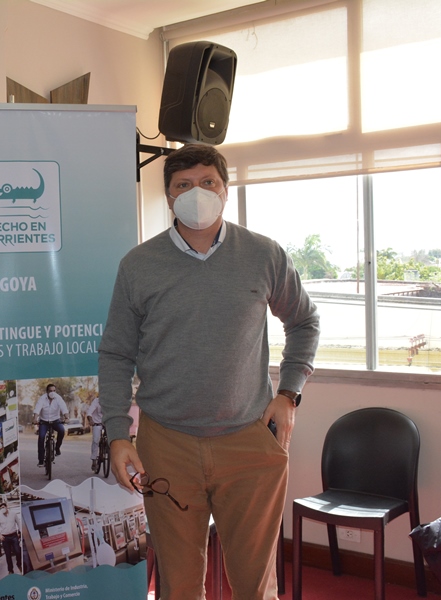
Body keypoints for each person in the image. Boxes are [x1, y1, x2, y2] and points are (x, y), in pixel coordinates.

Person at [98, 144, 320, 600]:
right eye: (183, 185)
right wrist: (118, 434)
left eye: (207, 182)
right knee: (179, 586)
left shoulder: (263, 254)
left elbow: (304, 321)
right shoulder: (138, 265)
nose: (196, 193)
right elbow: (116, 354)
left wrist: (289, 393)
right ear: (168, 196)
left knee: (255, 586)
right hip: (167, 446)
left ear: (225, 189)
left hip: (249, 442)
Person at [32, 383, 69, 467]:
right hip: (44, 422)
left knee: (62, 430)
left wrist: (67, 417)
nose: (52, 392)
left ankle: (57, 448)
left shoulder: (58, 398)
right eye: (50, 391)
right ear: (47, 391)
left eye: (54, 391)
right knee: (41, 437)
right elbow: (37, 409)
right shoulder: (42, 398)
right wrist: (35, 418)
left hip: (55, 420)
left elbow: (64, 408)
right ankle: (41, 460)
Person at [0, 502, 22, 574]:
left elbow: (19, 523)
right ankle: (10, 570)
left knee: (18, 551)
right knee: (8, 554)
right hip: (5, 537)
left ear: (6, 507)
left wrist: (19, 532)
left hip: (14, 536)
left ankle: (19, 564)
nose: (2, 509)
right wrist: (0, 535)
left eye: (3, 507)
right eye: (1, 508)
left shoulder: (13, 514)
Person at [86, 397, 103, 472]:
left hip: (107, 423)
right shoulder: (96, 401)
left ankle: (108, 452)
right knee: (96, 441)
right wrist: (90, 420)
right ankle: (94, 460)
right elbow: (89, 413)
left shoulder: (111, 400)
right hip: (97, 423)